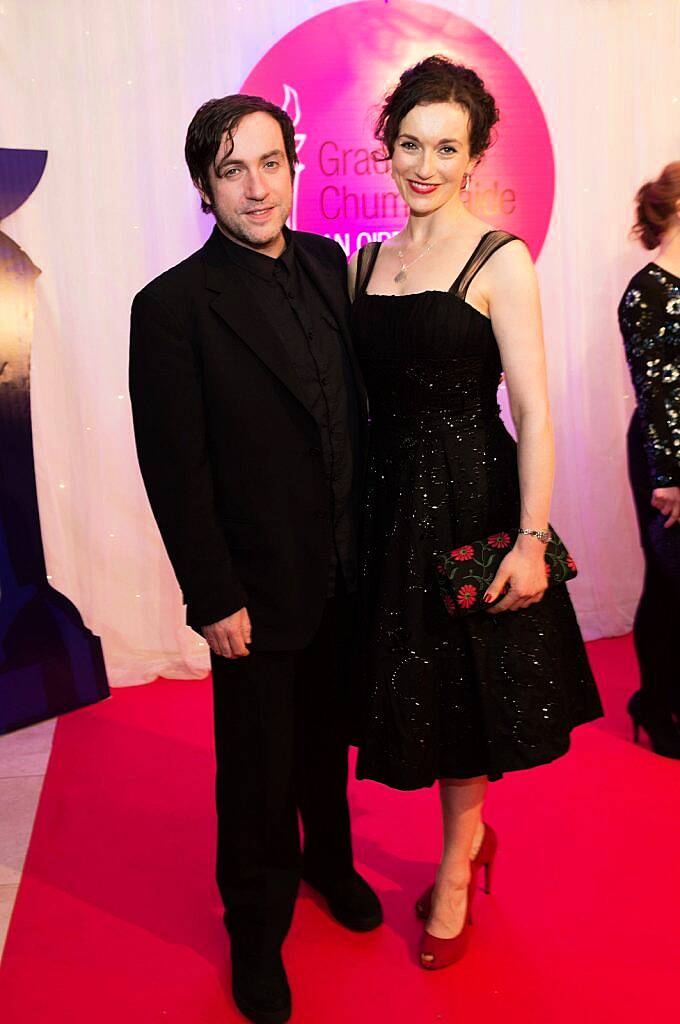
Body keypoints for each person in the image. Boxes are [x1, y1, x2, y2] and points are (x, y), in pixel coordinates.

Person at [129, 94, 381, 1024]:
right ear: (205, 185)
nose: (257, 186)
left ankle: (329, 862)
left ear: (295, 168)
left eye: (270, 163)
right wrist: (213, 596)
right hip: (253, 590)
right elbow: (175, 468)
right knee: (258, 769)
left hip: (345, 571)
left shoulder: (326, 262)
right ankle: (256, 925)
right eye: (232, 169)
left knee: (326, 741)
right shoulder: (170, 308)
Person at [348, 56, 603, 971]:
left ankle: (457, 863)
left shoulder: (502, 258)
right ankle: (465, 845)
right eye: (410, 144)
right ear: (388, 147)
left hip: (469, 496)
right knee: (411, 693)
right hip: (385, 502)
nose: (425, 164)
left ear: (474, 156)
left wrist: (532, 540)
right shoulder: (365, 261)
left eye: (446, 147)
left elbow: (533, 411)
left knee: (464, 697)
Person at [618, 162, 680, 759]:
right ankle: (655, 704)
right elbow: (654, 388)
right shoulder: (648, 290)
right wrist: (669, 477)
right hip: (667, 461)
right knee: (668, 586)